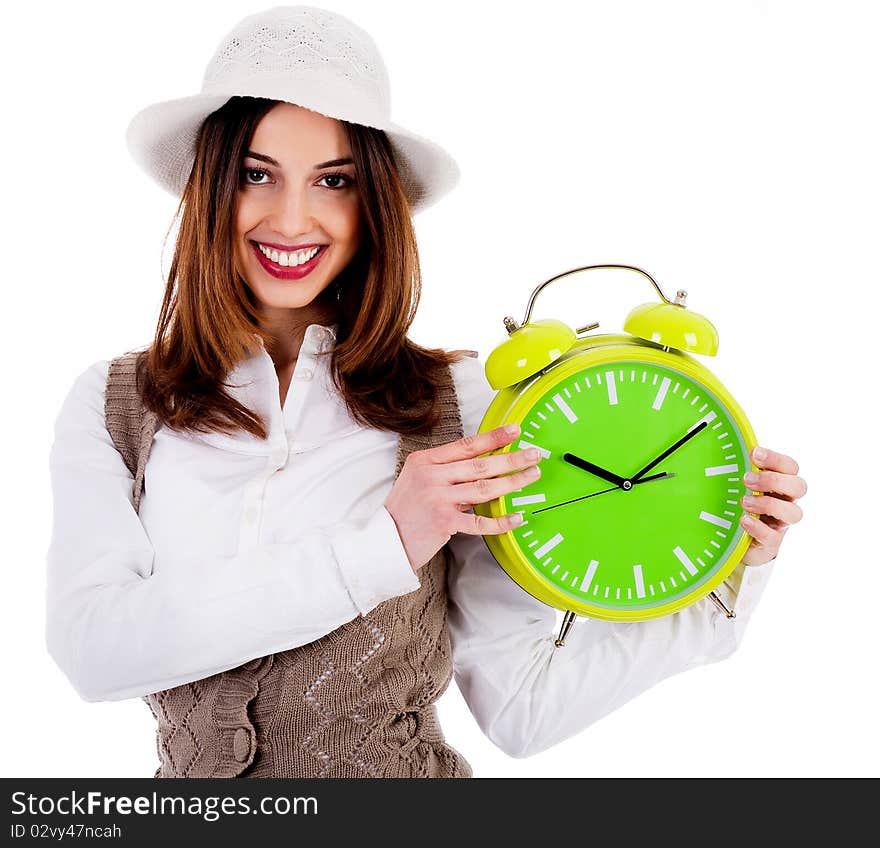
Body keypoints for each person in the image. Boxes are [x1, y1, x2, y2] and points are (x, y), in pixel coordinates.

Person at [45, 5, 807, 778]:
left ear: (373, 202)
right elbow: (95, 652)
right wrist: (385, 543)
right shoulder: (118, 406)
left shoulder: (458, 405)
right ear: (210, 185)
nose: (292, 218)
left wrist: (725, 577)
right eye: (255, 173)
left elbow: (521, 707)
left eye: (333, 180)